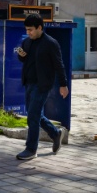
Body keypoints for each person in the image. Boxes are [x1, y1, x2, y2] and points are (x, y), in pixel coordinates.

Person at [14, 13, 69, 161]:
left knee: (33, 115)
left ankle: (31, 149)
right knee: (35, 114)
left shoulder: (51, 43)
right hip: (29, 82)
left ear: (40, 28)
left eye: (31, 30)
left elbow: (59, 65)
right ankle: (55, 133)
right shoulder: (27, 42)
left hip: (43, 85)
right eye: (26, 30)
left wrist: (63, 85)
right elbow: (23, 58)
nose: (28, 33)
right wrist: (21, 55)